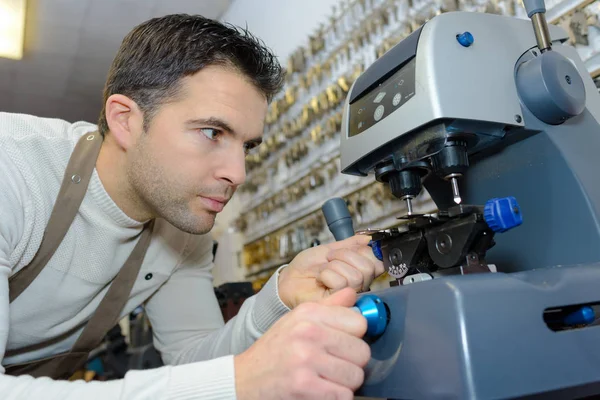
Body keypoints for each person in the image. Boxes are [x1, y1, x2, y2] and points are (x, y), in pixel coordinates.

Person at [0, 13, 385, 400]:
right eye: (212, 132)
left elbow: (195, 366)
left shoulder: (183, 227)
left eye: (247, 146)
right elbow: (216, 385)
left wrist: (281, 295)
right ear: (125, 120)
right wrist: (238, 383)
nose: (238, 173)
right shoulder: (11, 169)